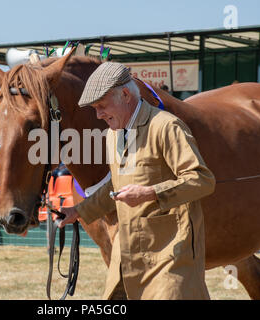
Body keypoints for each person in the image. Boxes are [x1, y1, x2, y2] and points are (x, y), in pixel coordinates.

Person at [59, 62, 216, 300]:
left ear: (124, 95)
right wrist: (78, 211)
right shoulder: (113, 135)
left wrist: (151, 193)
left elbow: (202, 180)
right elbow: (116, 186)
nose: (99, 115)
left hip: (170, 258)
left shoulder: (166, 126)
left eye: (102, 106)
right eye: (95, 109)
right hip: (127, 257)